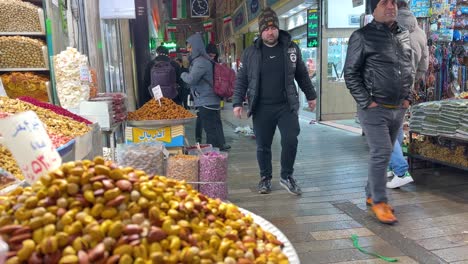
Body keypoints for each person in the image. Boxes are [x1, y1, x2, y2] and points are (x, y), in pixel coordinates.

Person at [232, 7, 317, 195]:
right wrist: (237, 102)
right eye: (266, 29)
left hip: (286, 106)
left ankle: (287, 176)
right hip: (261, 108)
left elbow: (302, 74)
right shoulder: (251, 52)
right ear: (260, 31)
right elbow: (242, 79)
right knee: (263, 145)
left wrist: (311, 96)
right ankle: (265, 178)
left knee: (290, 140)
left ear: (278, 28)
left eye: (273, 28)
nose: (270, 32)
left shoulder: (291, 48)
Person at [344, 0, 414, 224]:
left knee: (382, 155)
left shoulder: (403, 34)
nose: (391, 6)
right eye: (384, 2)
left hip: (398, 108)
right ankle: (380, 201)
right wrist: (367, 101)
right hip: (374, 109)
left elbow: (408, 68)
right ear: (373, 9)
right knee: (383, 151)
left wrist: (408, 97)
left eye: (393, 2)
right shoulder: (361, 36)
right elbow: (350, 73)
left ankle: (370, 193)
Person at [386, 0, 429, 189]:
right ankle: (391, 166)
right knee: (395, 127)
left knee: (384, 130)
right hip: (407, 87)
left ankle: (401, 170)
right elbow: (424, 64)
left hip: (389, 86)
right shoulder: (420, 33)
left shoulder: (390, 29)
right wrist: (413, 80)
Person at [181, 33, 227, 150]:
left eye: (190, 47)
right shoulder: (202, 60)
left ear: (196, 46)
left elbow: (191, 79)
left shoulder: (200, 62)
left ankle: (213, 157)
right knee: (214, 128)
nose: (188, 49)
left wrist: (182, 73)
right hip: (209, 99)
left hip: (206, 100)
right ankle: (217, 152)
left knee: (210, 130)